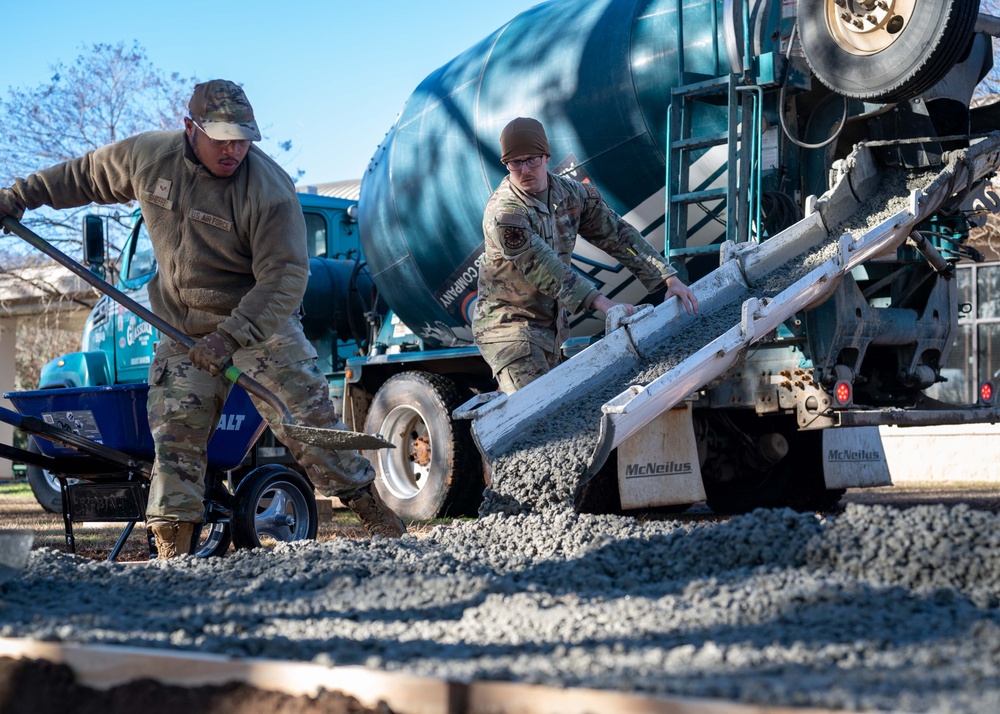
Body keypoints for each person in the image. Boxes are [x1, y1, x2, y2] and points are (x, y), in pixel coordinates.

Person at [0, 79, 405, 558]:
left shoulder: (269, 189)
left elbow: (284, 278)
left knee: (308, 424)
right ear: (190, 128)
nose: (233, 149)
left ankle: (375, 514)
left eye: (243, 138)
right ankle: (174, 553)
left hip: (260, 325)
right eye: (221, 138)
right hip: (183, 329)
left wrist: (230, 337)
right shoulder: (148, 158)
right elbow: (85, 174)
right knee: (175, 438)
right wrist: (19, 197)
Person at [474, 117, 699, 394]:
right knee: (538, 413)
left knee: (563, 410)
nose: (524, 169)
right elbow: (544, 267)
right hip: (509, 329)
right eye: (514, 162)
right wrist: (604, 304)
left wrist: (667, 278)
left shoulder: (572, 194)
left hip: (551, 329)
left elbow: (617, 234)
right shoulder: (505, 214)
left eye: (531, 159)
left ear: (546, 156)